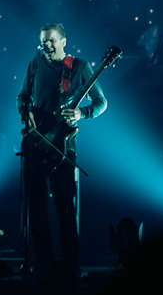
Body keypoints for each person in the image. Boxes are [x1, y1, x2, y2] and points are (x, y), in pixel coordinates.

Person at [17, 23, 107, 272]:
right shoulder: (35, 63)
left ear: (64, 41)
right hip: (36, 142)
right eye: (43, 41)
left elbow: (101, 102)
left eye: (52, 40)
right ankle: (42, 263)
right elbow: (22, 96)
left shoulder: (78, 67)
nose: (47, 45)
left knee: (65, 208)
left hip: (64, 148)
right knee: (35, 208)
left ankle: (71, 265)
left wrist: (81, 112)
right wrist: (26, 113)